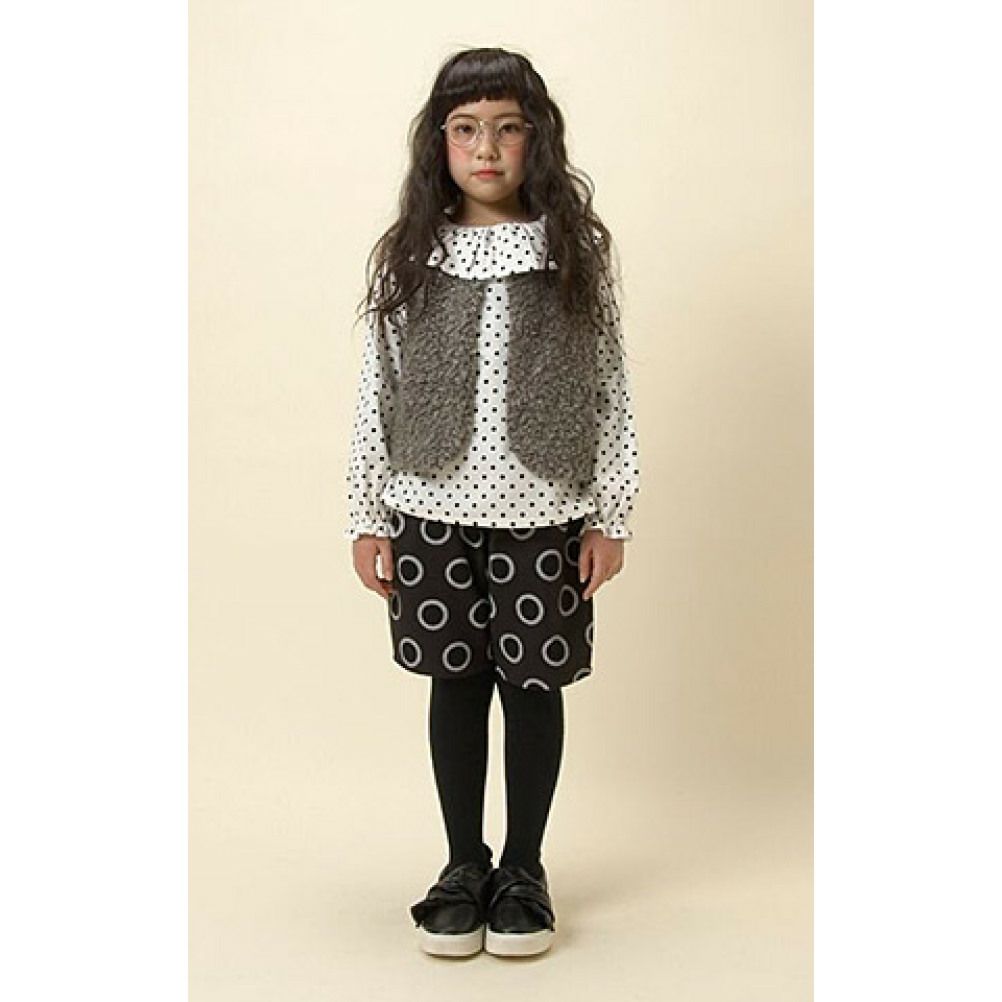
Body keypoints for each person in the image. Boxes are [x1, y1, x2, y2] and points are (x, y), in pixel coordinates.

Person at [344, 47, 641, 958]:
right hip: (429, 504)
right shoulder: (411, 255)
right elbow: (378, 384)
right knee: (457, 684)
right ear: (439, 142)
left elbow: (610, 386)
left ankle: (523, 868)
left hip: (545, 506)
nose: (486, 148)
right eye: (466, 129)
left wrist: (611, 513)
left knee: (533, 687)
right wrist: (366, 514)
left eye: (507, 129)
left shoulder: (571, 253)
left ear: (535, 139)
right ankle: (462, 866)